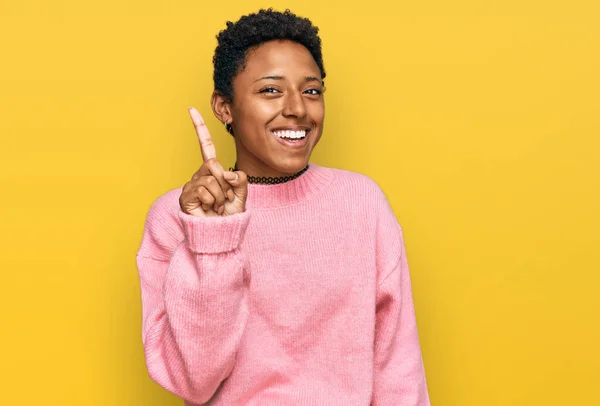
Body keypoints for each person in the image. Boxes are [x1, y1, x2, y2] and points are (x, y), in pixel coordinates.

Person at [136, 8, 430, 405]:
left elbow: (398, 369)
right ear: (224, 107)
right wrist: (213, 239)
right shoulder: (178, 217)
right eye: (271, 90)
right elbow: (193, 381)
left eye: (311, 90)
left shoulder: (362, 202)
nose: (297, 108)